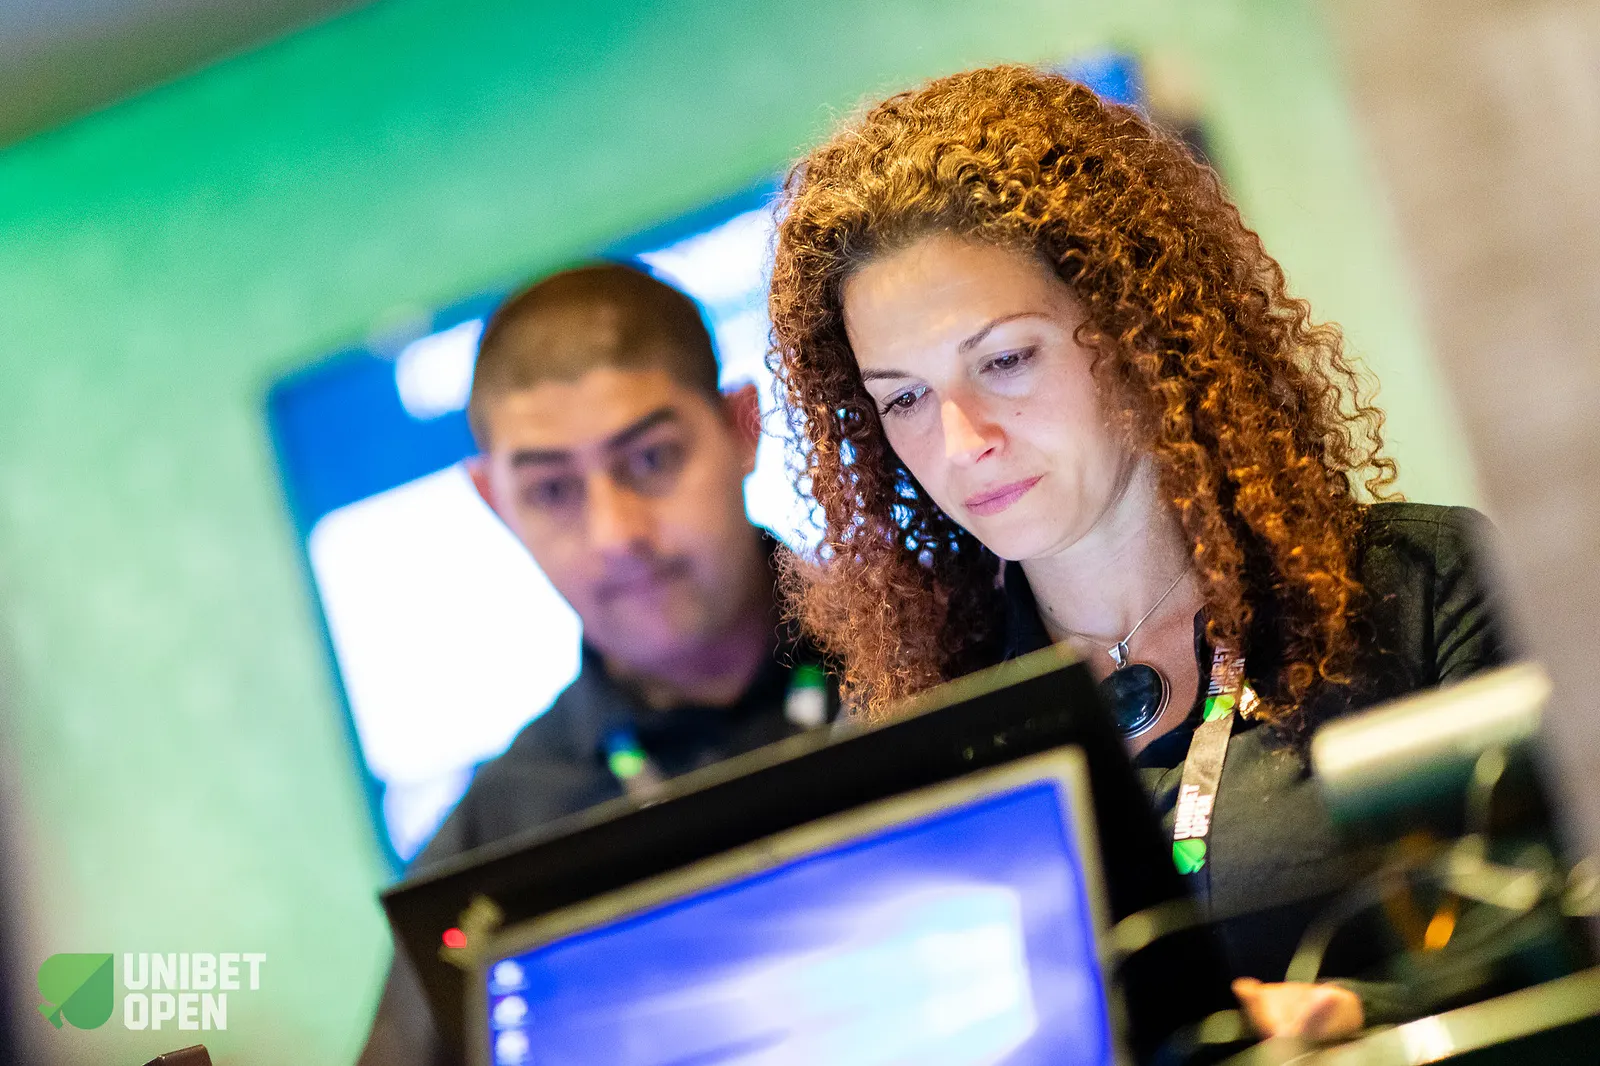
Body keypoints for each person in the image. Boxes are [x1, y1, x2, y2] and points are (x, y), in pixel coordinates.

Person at [766, 65, 1511, 1042]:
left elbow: (1562, 941)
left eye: (1005, 360)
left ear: (1136, 326)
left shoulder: (1421, 587)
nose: (960, 439)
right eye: (903, 396)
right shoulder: (912, 729)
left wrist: (1357, 1019)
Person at [357, 263, 834, 1066]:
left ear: (742, 428)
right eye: (552, 491)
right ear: (495, 500)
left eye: (651, 459)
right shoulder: (490, 847)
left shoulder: (959, 645)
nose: (616, 534)